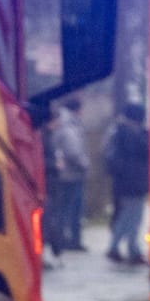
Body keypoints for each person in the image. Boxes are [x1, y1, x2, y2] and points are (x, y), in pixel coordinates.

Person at [103, 102, 150, 264]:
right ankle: (121, 248)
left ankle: (126, 248)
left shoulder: (118, 131)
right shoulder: (131, 133)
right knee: (131, 217)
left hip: (125, 181)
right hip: (132, 182)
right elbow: (146, 149)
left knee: (128, 216)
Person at [46, 96, 89, 253]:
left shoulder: (63, 124)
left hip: (64, 175)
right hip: (71, 175)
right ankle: (68, 240)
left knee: (65, 209)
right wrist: (85, 164)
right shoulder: (69, 126)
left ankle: (65, 239)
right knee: (70, 210)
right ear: (76, 110)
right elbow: (73, 151)